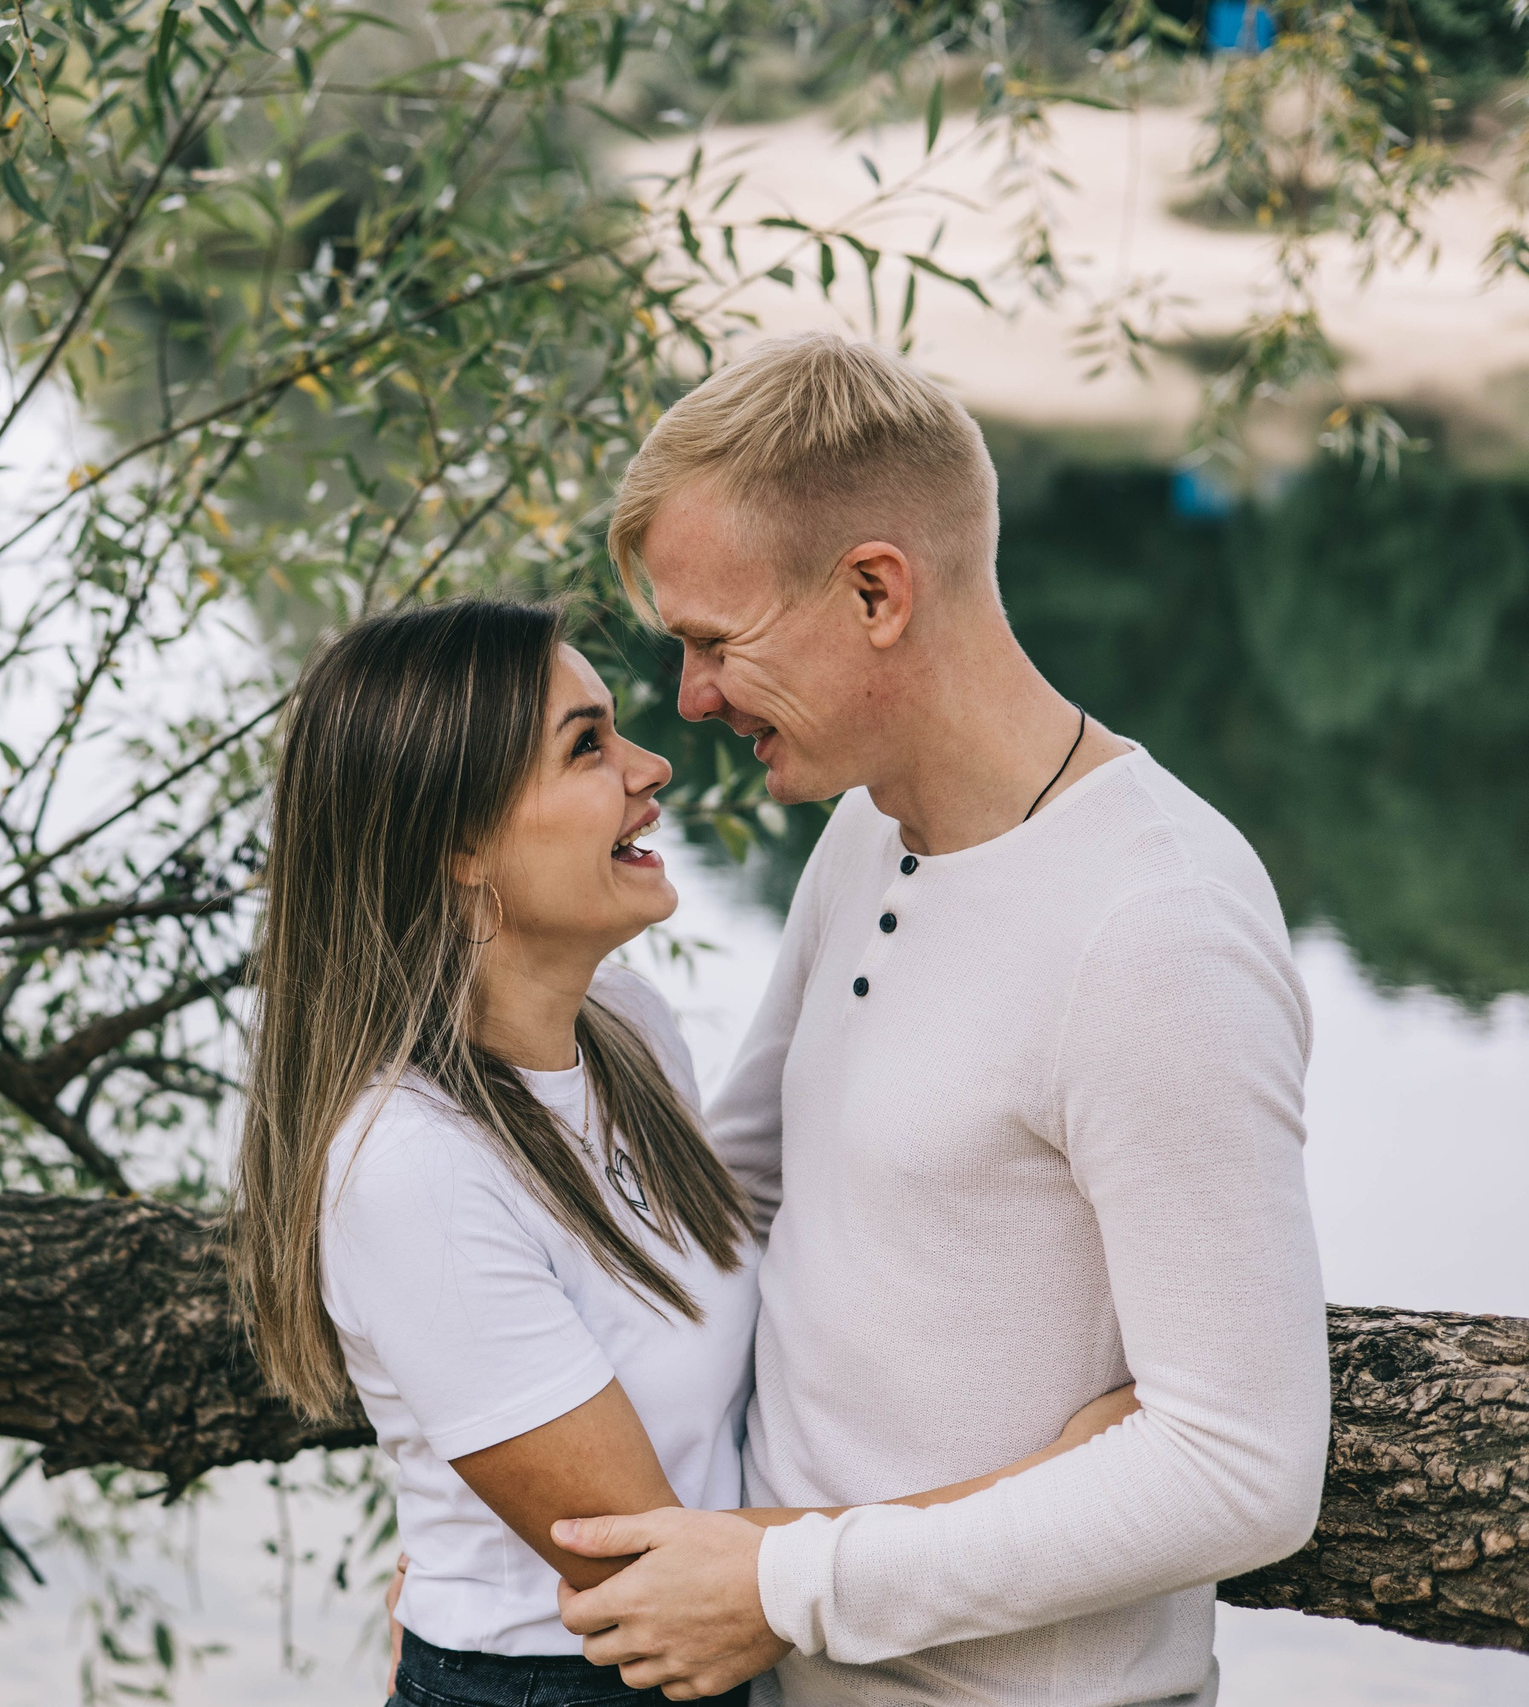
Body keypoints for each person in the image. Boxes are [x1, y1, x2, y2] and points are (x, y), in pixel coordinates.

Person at [548, 333, 1331, 1704]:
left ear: (874, 590)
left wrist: (789, 1580)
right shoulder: (866, 828)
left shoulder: (1157, 927)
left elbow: (1246, 1464)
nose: (692, 699)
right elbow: (730, 1190)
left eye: (714, 640)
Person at [228, 599, 1143, 1707]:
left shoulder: (628, 1034)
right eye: (587, 746)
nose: (651, 765)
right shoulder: (409, 1169)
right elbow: (655, 1571)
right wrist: (1058, 1486)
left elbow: (795, 1213)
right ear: (457, 846)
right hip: (550, 1685)